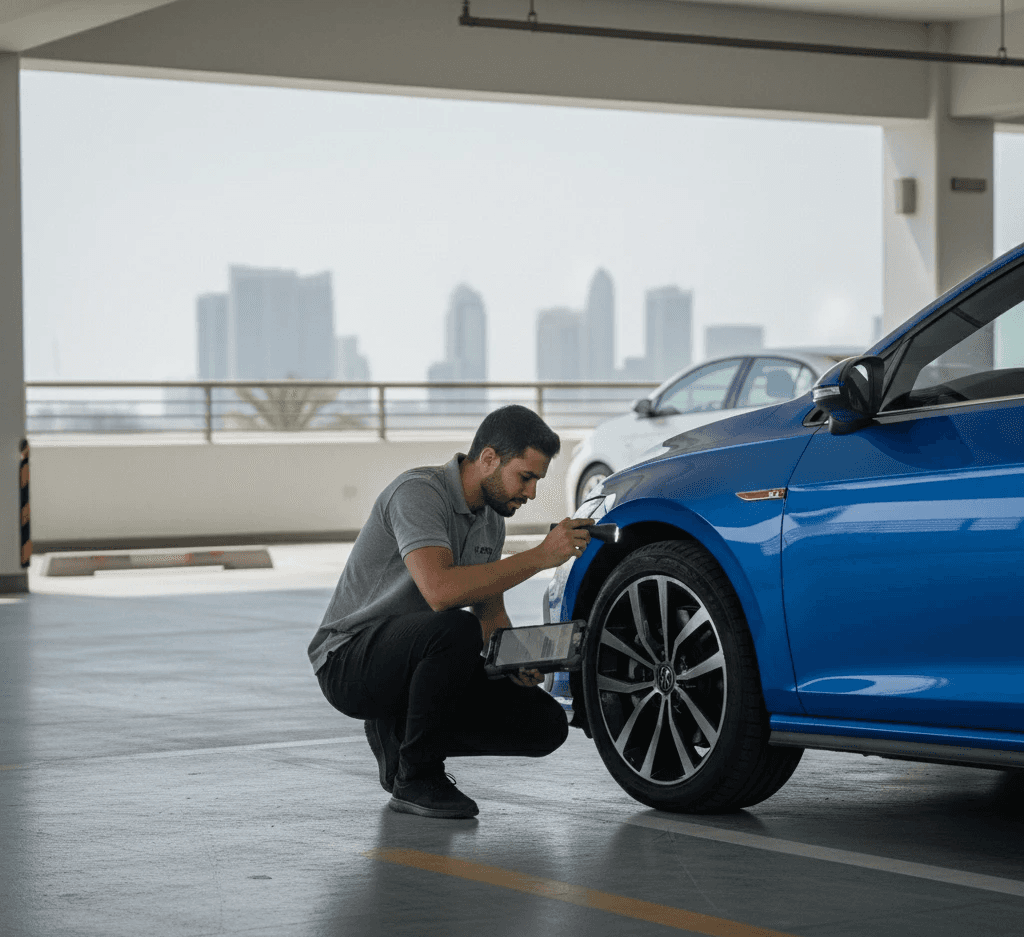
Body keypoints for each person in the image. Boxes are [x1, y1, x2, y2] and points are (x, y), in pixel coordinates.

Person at [308, 405, 594, 819]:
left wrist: (514, 661)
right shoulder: (419, 493)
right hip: (349, 663)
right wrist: (539, 557)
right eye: (525, 477)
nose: (530, 493)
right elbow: (440, 592)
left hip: (419, 658)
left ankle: (402, 737)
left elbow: (489, 614)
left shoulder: (490, 520)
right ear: (489, 459)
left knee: (543, 723)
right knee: (453, 628)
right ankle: (417, 778)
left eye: (537, 481)